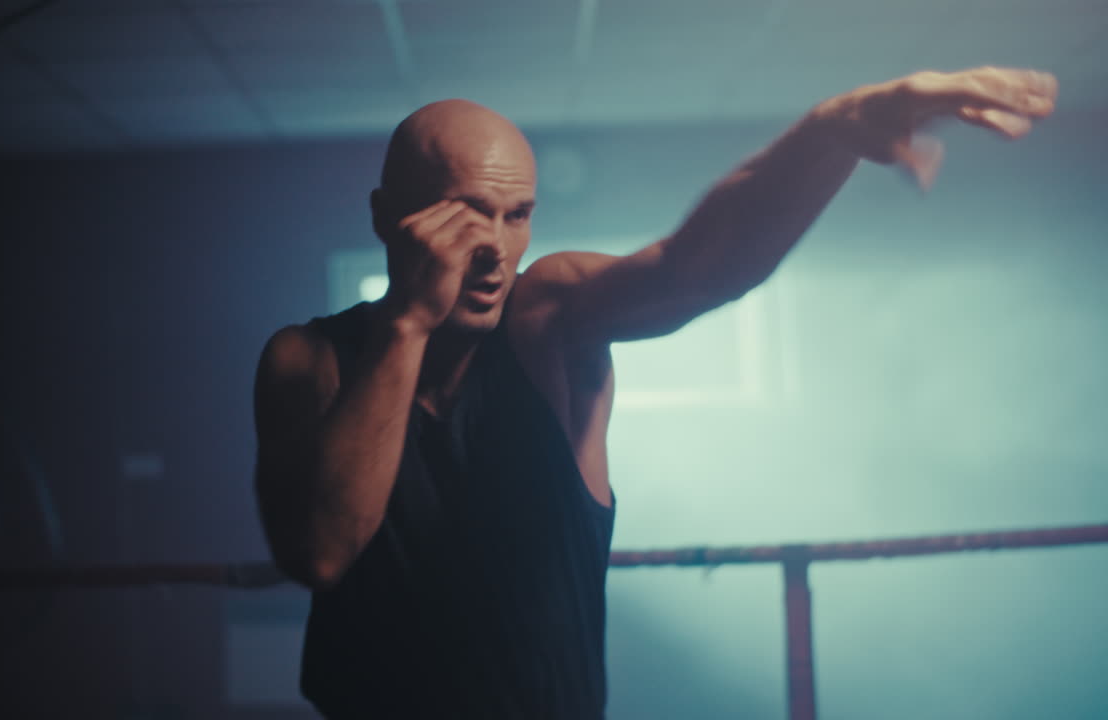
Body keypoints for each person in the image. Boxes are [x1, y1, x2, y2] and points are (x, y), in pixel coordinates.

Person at [252, 66, 1057, 719]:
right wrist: (405, 326)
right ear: (389, 219)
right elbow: (320, 552)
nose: (494, 249)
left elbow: (697, 267)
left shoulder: (545, 323)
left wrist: (830, 133)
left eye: (517, 215)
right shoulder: (309, 360)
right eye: (467, 216)